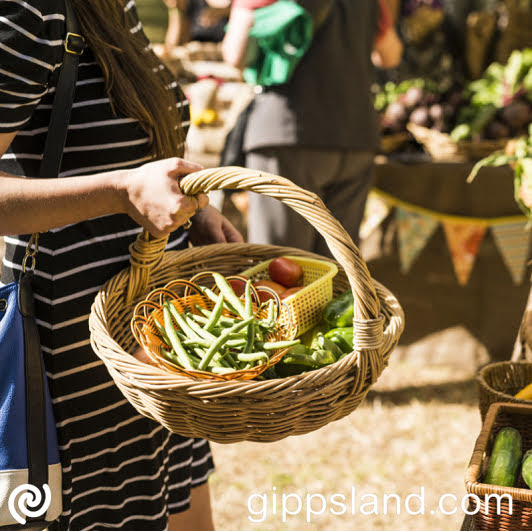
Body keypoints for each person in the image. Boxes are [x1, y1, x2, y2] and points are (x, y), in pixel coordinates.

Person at [0, 0, 242, 529]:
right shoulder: (27, 12)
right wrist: (122, 190)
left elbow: (120, 150)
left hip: (155, 354)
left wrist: (191, 206)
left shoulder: (115, 7)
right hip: (74, 371)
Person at [222, 0, 403, 256]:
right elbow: (390, 54)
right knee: (338, 271)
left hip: (287, 133)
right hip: (356, 137)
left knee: (282, 267)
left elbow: (234, 54)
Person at [164, 0, 232, 49]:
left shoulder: (239, 4)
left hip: (226, 61)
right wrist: (177, 10)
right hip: (196, 62)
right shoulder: (190, 2)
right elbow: (172, 46)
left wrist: (227, 12)